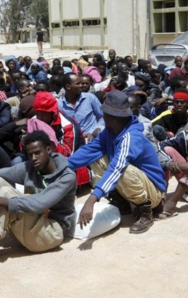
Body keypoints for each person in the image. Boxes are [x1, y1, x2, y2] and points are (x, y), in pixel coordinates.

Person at [0, 131, 77, 272]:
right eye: (29, 154)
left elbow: (39, 203)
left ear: (49, 150)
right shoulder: (30, 167)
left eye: (37, 153)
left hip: (52, 233)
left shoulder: (67, 177)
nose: (33, 158)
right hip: (33, 225)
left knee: (5, 195)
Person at [68, 90, 166, 234]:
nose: (103, 117)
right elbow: (88, 151)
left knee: (123, 170)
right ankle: (122, 202)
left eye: (105, 114)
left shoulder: (131, 137)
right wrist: (62, 164)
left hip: (153, 192)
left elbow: (117, 168)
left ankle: (145, 212)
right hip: (137, 183)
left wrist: (91, 200)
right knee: (97, 158)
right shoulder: (110, 132)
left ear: (112, 117)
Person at [58, 73, 104, 140]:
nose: (81, 86)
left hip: (93, 140)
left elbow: (103, 117)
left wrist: (93, 132)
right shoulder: (59, 105)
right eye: (78, 84)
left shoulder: (90, 98)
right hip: (72, 143)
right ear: (68, 87)